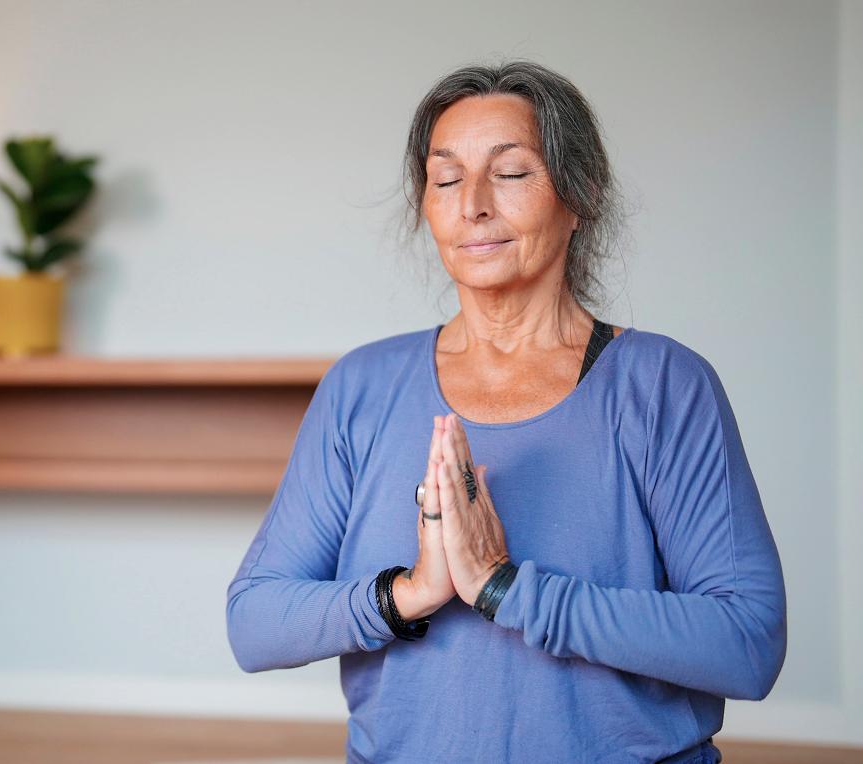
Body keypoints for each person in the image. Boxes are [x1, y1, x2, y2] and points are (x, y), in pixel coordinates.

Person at [224, 60, 787, 764]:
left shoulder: (664, 385)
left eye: (512, 172)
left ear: (578, 194)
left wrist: (504, 588)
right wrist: (410, 593)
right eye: (446, 178)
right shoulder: (360, 387)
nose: (474, 205)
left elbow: (748, 643)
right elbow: (253, 623)